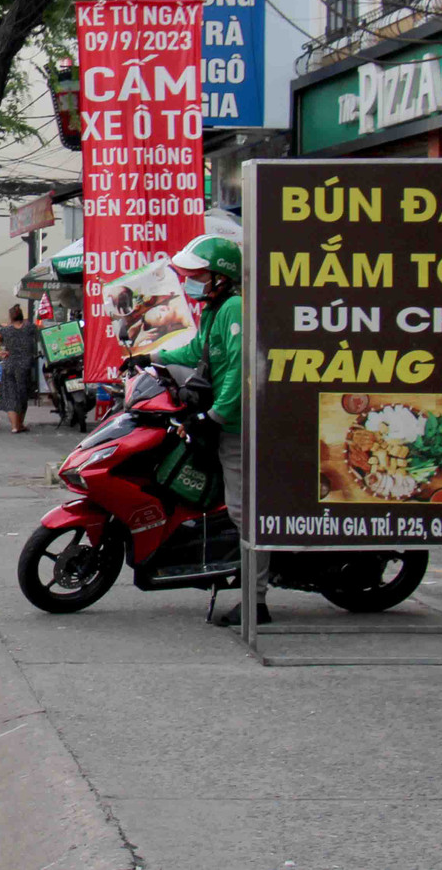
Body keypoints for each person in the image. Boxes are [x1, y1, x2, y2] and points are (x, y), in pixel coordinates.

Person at [153, 233, 253, 625]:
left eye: (198, 275)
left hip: (238, 427)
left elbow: (239, 370)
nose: (191, 281)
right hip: (223, 419)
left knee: (244, 512)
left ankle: (255, 599)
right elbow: (198, 353)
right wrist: (152, 356)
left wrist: (216, 416)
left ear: (220, 277)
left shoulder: (233, 309)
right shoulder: (213, 312)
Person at [0, 304, 42, 434]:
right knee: (22, 395)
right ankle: (20, 424)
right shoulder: (30, 328)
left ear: (10, 317)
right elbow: (43, 330)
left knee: (10, 395)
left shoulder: (5, 330)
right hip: (25, 366)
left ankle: (14, 426)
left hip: (9, 365)